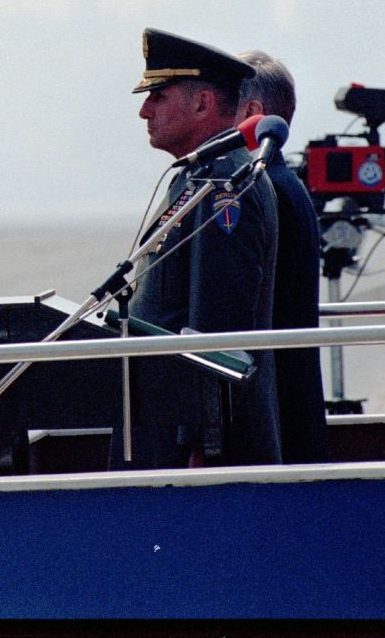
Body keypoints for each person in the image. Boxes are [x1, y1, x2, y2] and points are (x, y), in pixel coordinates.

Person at [114, 28, 281, 470]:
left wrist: (206, 446)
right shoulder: (197, 176)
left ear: (203, 103)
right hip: (166, 425)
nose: (143, 111)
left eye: (158, 97)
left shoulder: (225, 183)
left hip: (191, 446)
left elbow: (219, 322)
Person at [236, 50, 329, 465]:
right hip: (293, 400)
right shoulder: (283, 181)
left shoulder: (263, 189)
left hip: (278, 409)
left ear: (253, 113)